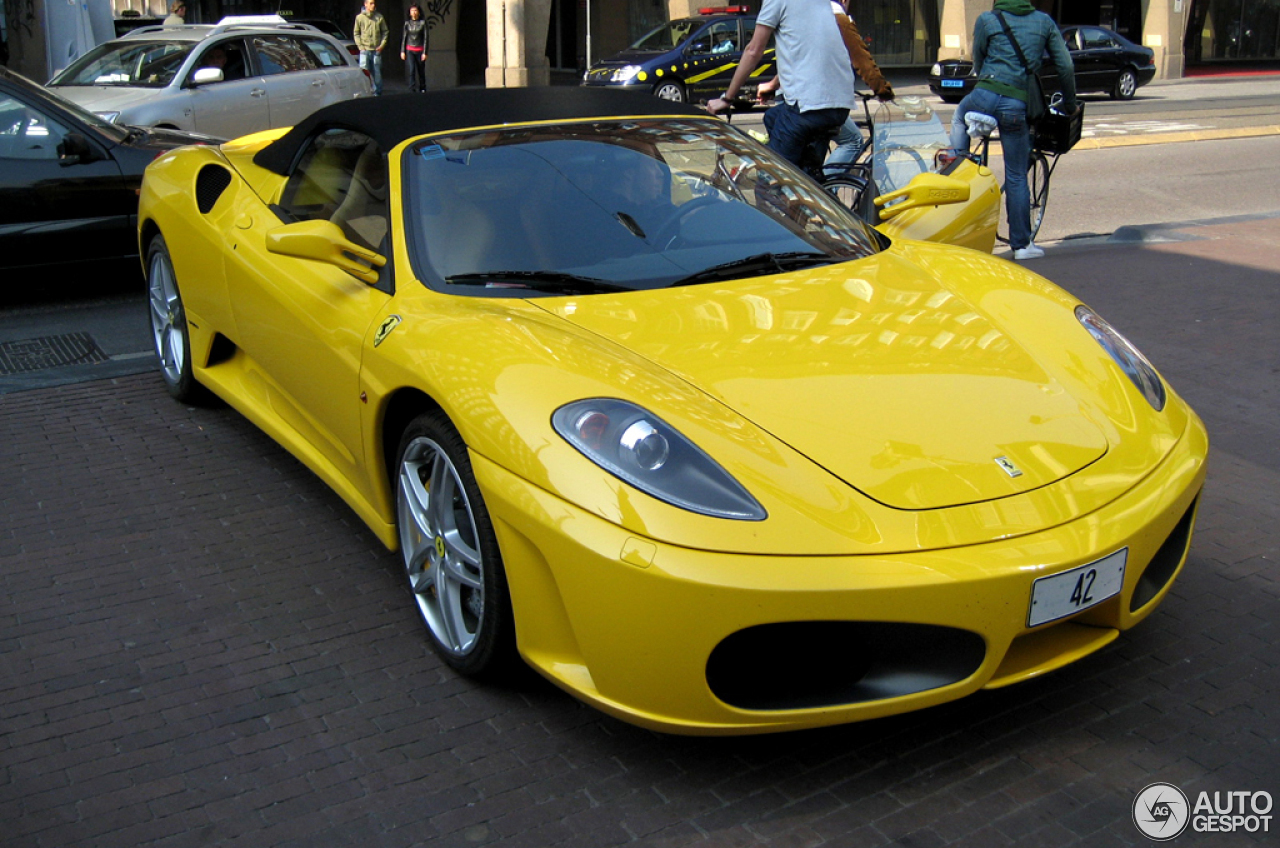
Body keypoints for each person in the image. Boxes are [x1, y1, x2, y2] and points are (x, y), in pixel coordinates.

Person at [949, 0, 1077, 260]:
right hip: (1016, 104)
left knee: (960, 116)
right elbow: (1065, 66)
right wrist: (1071, 103)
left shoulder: (987, 19)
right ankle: (1021, 245)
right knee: (1017, 175)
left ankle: (957, 171)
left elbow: (979, 60)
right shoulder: (1043, 22)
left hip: (983, 96)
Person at [707, 0, 856, 169]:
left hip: (808, 107)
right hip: (841, 105)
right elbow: (807, 52)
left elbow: (753, 50)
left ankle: (785, 185)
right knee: (772, 117)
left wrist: (727, 98)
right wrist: (773, 84)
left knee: (770, 179)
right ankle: (811, 183)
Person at [755, 0, 894, 171]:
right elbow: (859, 55)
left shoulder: (807, 10)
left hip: (797, 97)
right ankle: (825, 191)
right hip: (813, 100)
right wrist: (881, 88)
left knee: (802, 159)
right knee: (853, 140)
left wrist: (772, 85)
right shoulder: (835, 14)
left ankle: (815, 184)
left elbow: (799, 55)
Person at [354, 0, 389, 96]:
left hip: (376, 50)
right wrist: (360, 47)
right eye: (371, 3)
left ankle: (377, 93)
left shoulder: (379, 17)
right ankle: (364, 92)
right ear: (365, 4)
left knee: (377, 73)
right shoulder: (359, 18)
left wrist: (381, 45)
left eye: (374, 3)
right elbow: (356, 33)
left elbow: (385, 32)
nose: (373, 5)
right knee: (364, 72)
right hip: (364, 50)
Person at [401, 4, 429, 93]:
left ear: (419, 12)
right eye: (412, 10)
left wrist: (425, 52)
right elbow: (404, 38)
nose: (414, 12)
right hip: (410, 49)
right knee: (411, 69)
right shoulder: (407, 23)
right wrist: (402, 51)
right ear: (409, 13)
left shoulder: (423, 23)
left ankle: (423, 87)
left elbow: (426, 38)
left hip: (420, 50)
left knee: (421, 70)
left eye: (415, 10)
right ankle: (411, 88)